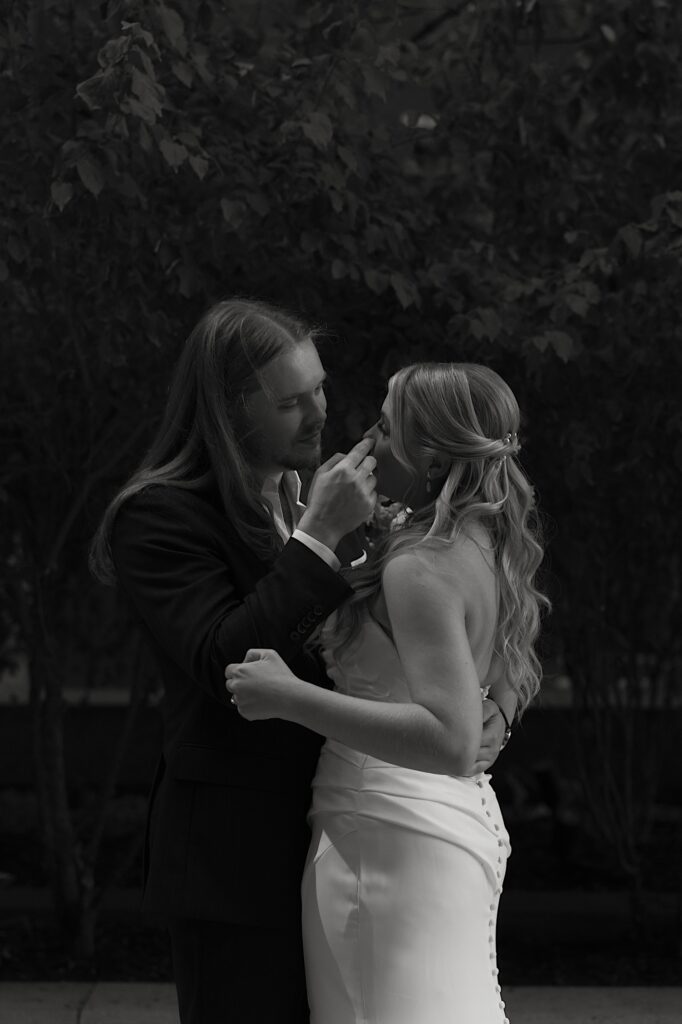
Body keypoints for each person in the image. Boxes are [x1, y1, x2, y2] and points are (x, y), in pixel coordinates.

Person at [90, 303, 509, 1024]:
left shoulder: (318, 489)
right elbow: (225, 662)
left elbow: (441, 632)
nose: (319, 414)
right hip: (237, 861)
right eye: (289, 402)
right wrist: (316, 537)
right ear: (229, 411)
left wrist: (490, 706)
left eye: (318, 387)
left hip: (356, 830)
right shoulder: (159, 516)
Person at [226, 362, 549, 1024]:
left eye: (384, 425)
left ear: (429, 455)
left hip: (390, 835)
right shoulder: (475, 538)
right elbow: (509, 660)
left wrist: (289, 697)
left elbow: (450, 738)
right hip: (432, 821)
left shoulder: (419, 566)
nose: (366, 441)